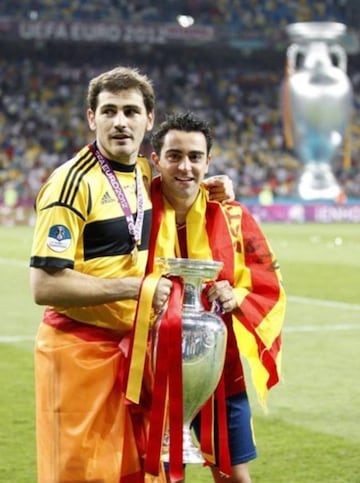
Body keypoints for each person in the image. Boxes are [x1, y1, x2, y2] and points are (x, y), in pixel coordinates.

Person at [29, 66, 233, 482]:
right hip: (77, 353)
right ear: (92, 118)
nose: (120, 121)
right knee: (80, 474)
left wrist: (209, 183)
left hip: (136, 349)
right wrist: (134, 288)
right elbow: (45, 285)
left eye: (130, 111)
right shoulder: (70, 183)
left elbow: (176, 192)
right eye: (109, 111)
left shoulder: (141, 173)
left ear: (149, 119)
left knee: (135, 471)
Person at [146, 112, 286, 483]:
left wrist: (236, 294)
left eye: (195, 156)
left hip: (219, 373)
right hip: (150, 375)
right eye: (174, 155)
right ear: (155, 159)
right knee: (156, 477)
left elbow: (269, 285)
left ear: (209, 161)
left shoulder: (235, 217)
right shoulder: (136, 215)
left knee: (235, 479)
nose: (185, 166)